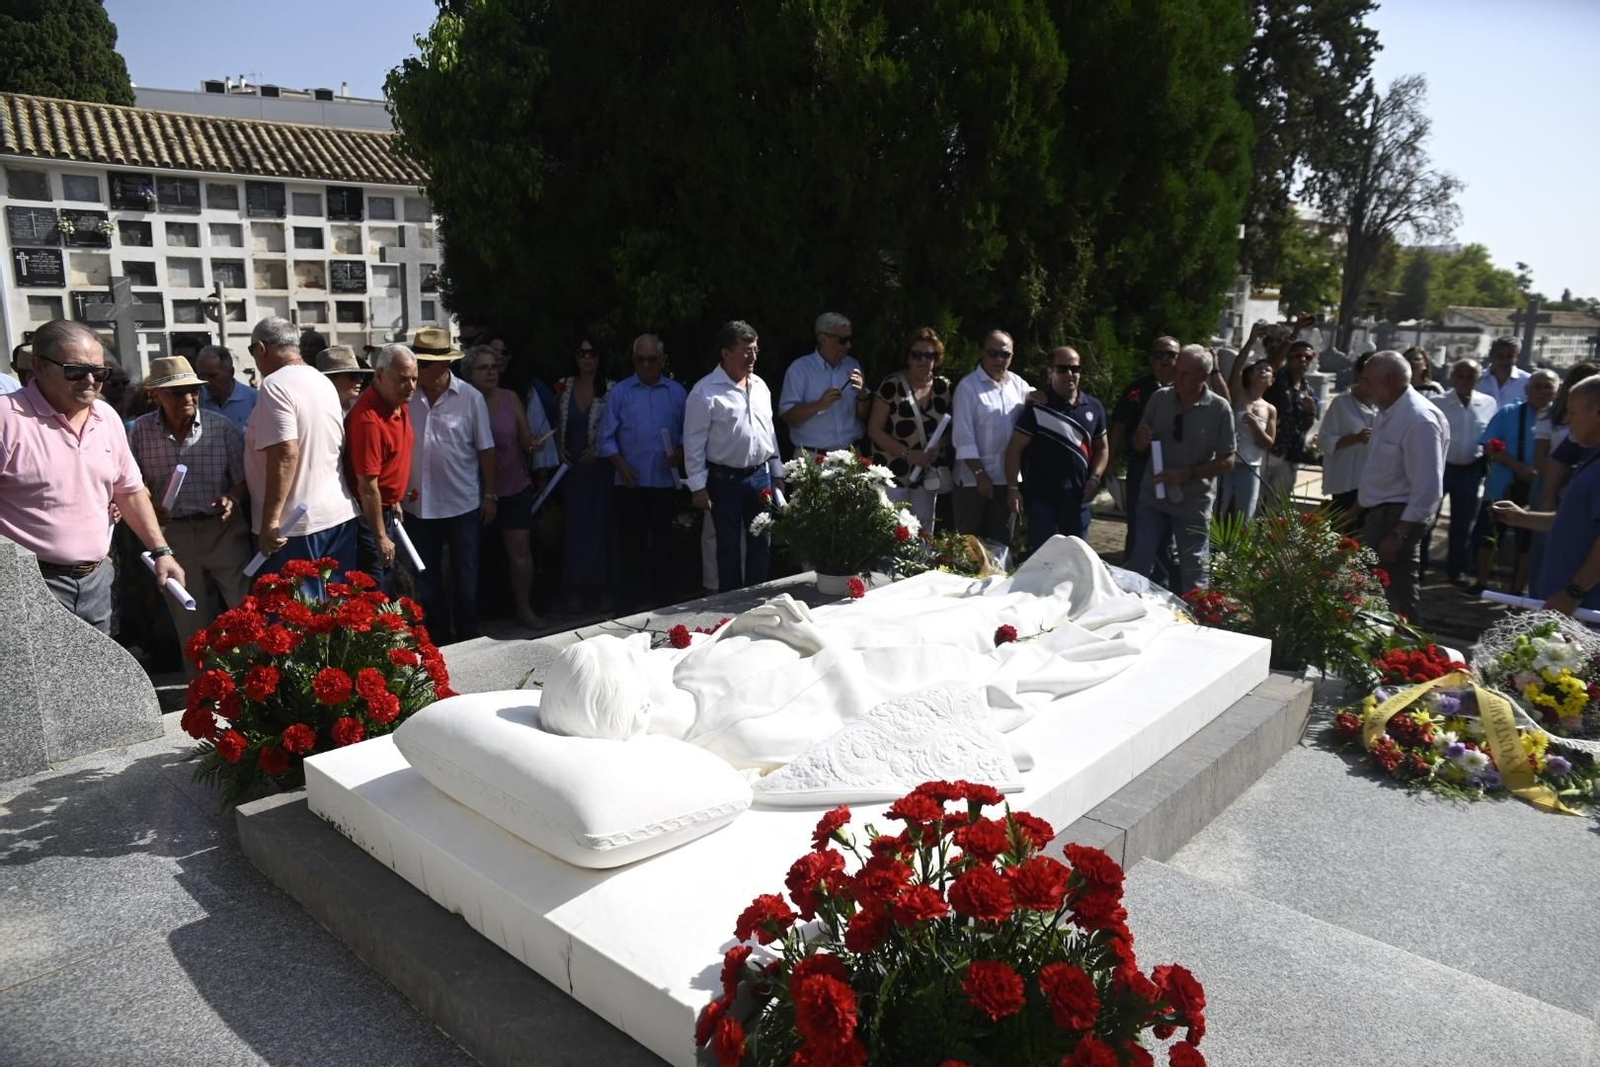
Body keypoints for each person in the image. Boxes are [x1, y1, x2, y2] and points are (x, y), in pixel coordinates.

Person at [0, 320, 184, 631]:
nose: (90, 381)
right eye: (75, 371)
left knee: (94, 677)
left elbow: (129, 490)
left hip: (96, 581)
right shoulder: (7, 418)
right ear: (39, 367)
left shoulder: (107, 417)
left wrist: (161, 550)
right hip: (26, 585)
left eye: (99, 373)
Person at [127, 356, 250, 670]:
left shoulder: (220, 427)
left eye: (193, 390)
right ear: (156, 395)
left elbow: (242, 480)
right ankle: (201, 693)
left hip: (222, 531)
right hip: (174, 537)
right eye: (177, 392)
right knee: (189, 620)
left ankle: (253, 685)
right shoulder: (140, 432)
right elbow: (132, 483)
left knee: (244, 609)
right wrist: (151, 504)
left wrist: (232, 499)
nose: (189, 398)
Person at [242, 317, 359, 575]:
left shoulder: (275, 385)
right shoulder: (323, 381)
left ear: (261, 348)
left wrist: (270, 520)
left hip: (292, 528)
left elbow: (285, 453)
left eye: (252, 352)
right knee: (335, 609)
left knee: (292, 612)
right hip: (335, 518)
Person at [404, 326, 497, 643]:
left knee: (466, 572)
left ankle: (468, 634)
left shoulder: (470, 398)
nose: (417, 370)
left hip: (462, 502)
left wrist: (490, 495)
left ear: (443, 365)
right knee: (426, 575)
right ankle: (439, 636)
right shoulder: (407, 397)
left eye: (424, 364)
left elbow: (486, 450)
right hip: (418, 504)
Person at [684, 320, 784, 593]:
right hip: (724, 480)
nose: (752, 357)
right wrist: (698, 487)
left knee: (762, 541)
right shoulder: (705, 391)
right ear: (725, 353)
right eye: (745, 350)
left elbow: (769, 432)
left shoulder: (760, 385)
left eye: (755, 350)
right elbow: (693, 442)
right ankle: (730, 604)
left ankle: (758, 598)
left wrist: (778, 472)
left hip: (760, 476)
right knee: (727, 546)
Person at [1128, 345, 1236, 594]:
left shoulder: (1220, 409)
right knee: (1140, 560)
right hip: (1153, 496)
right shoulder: (1160, 397)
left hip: (1193, 501)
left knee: (1195, 568)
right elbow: (1137, 443)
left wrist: (1186, 474)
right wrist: (1140, 441)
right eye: (1176, 370)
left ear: (1203, 377)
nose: (1176, 377)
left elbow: (1228, 461)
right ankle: (1129, 614)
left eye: (1184, 373)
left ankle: (1199, 621)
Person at [1493, 377, 1600, 615]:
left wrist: (1574, 591)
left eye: (1573, 412)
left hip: (1585, 608)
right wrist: (1522, 518)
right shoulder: (1590, 456)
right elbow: (1573, 522)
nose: (1567, 420)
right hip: (1568, 602)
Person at [597, 333, 688, 612]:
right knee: (631, 547)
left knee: (665, 546)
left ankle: (665, 604)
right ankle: (630, 606)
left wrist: (681, 453)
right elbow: (605, 437)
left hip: (664, 482)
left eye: (652, 359)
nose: (646, 365)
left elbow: (692, 433)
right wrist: (620, 464)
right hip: (630, 483)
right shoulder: (621, 392)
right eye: (640, 359)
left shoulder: (677, 392)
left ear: (661, 360)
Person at [1356, 351, 1449, 621]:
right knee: (1375, 597)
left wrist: (1398, 534)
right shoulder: (1387, 411)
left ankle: (1408, 655)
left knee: (1398, 600)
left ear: (1389, 381)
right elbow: (1382, 470)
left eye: (1368, 381)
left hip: (1397, 520)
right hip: (1381, 515)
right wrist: (1356, 508)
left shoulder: (1419, 419)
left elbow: (1428, 489)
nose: (1364, 387)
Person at [465, 343, 546, 627]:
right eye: (483, 368)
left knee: (520, 552)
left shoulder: (510, 398)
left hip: (514, 485)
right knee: (471, 558)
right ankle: (471, 617)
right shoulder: (464, 400)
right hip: (474, 490)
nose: (491, 372)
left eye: (494, 367)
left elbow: (524, 438)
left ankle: (525, 609)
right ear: (469, 373)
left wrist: (533, 445)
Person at [1003, 346, 1107, 552]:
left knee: (1075, 562)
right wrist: (1013, 488)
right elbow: (1014, 449)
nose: (1070, 374)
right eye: (1063, 369)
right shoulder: (1038, 407)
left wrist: (1095, 478)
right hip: (1042, 501)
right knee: (1044, 562)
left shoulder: (1094, 407)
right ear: (1050, 371)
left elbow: (1102, 448)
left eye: (1075, 369)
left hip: (1078, 500)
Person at [1468, 369, 1557, 594]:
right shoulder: (1509, 412)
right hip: (1500, 486)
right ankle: (1481, 582)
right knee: (1487, 535)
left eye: (1548, 386)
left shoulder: (1559, 419)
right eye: (1537, 385)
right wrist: (1518, 467)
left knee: (1526, 542)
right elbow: (1489, 445)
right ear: (1527, 389)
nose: (1542, 391)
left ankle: (1517, 591)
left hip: (1538, 491)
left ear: (1557, 390)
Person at [345, 344, 417, 593]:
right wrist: (380, 537)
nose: (411, 386)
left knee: (390, 583)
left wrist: (394, 499)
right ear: (380, 375)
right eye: (403, 379)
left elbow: (389, 463)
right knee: (376, 588)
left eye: (414, 378)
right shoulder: (369, 420)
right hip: (368, 516)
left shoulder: (398, 404)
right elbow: (367, 486)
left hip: (385, 509)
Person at [866, 327, 954, 531]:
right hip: (892, 474)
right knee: (891, 534)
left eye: (929, 355)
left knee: (923, 535)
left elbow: (953, 429)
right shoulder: (892, 385)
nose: (923, 360)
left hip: (926, 475)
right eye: (917, 355)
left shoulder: (944, 388)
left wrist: (941, 445)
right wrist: (907, 454)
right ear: (908, 357)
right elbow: (874, 430)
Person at [952, 329, 1031, 542]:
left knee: (1001, 544)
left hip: (1006, 479)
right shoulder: (968, 387)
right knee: (969, 545)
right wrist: (980, 474)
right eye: (993, 353)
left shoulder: (1018, 384)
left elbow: (1033, 406)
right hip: (973, 481)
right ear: (983, 354)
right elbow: (962, 435)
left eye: (1005, 354)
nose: (999, 359)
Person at [1107, 336, 1180, 568]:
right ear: (1151, 359)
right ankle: (1132, 580)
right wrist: (1109, 461)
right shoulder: (1137, 389)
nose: (1166, 360)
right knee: (1139, 526)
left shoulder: (1188, 388)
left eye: (1172, 354)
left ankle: (1163, 583)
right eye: (1160, 354)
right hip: (1142, 467)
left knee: (1169, 530)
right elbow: (1119, 425)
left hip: (1177, 470)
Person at [555, 337, 615, 613]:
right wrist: (559, 450)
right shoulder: (564, 386)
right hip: (572, 472)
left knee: (599, 529)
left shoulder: (610, 389)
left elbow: (616, 428)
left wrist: (600, 449)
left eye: (593, 353)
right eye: (582, 353)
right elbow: (555, 424)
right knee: (574, 530)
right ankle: (574, 588)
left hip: (599, 470)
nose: (587, 358)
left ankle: (600, 588)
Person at [1429, 359, 1497, 583]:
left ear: (1478, 379)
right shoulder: (1438, 402)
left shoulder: (1488, 403)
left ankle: (1457, 569)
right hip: (1441, 468)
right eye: (1461, 376)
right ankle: (1418, 566)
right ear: (1453, 377)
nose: (1465, 381)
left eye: (1471, 377)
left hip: (1471, 470)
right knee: (1428, 518)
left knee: (1462, 522)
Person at [778, 312, 868, 454]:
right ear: (824, 338)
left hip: (851, 455)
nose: (849, 345)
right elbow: (787, 415)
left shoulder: (852, 365)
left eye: (851, 339)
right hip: (814, 458)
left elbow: (864, 415)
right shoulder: (800, 369)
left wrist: (862, 395)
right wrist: (820, 404)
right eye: (843, 340)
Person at [1315, 351, 1376, 521]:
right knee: (1344, 534)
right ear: (1358, 373)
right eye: (1366, 377)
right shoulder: (1341, 403)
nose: (1370, 383)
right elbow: (1324, 441)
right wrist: (1355, 438)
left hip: (1375, 481)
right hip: (1347, 479)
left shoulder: (1386, 404)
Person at [1262, 339, 1318, 501]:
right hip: (1269, 450)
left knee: (1277, 505)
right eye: (1298, 356)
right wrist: (1294, 333)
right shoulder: (1277, 380)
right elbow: (1273, 363)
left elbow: (1305, 426)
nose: (1303, 360)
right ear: (1289, 357)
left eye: (1308, 357)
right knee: (1256, 502)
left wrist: (1310, 413)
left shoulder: (1308, 389)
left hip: (1290, 455)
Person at [195, 345, 258, 436]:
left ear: (231, 372)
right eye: (201, 376)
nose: (206, 381)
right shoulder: (196, 401)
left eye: (212, 376)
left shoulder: (255, 400)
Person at [1475, 337, 1529, 411]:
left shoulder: (1527, 381)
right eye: (1500, 356)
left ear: (1517, 357)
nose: (1504, 361)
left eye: (1509, 357)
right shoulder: (1477, 379)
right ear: (1491, 355)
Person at [316, 344, 372, 412]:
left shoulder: (359, 407)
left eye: (361, 375)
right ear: (329, 378)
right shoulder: (319, 410)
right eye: (353, 376)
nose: (360, 380)